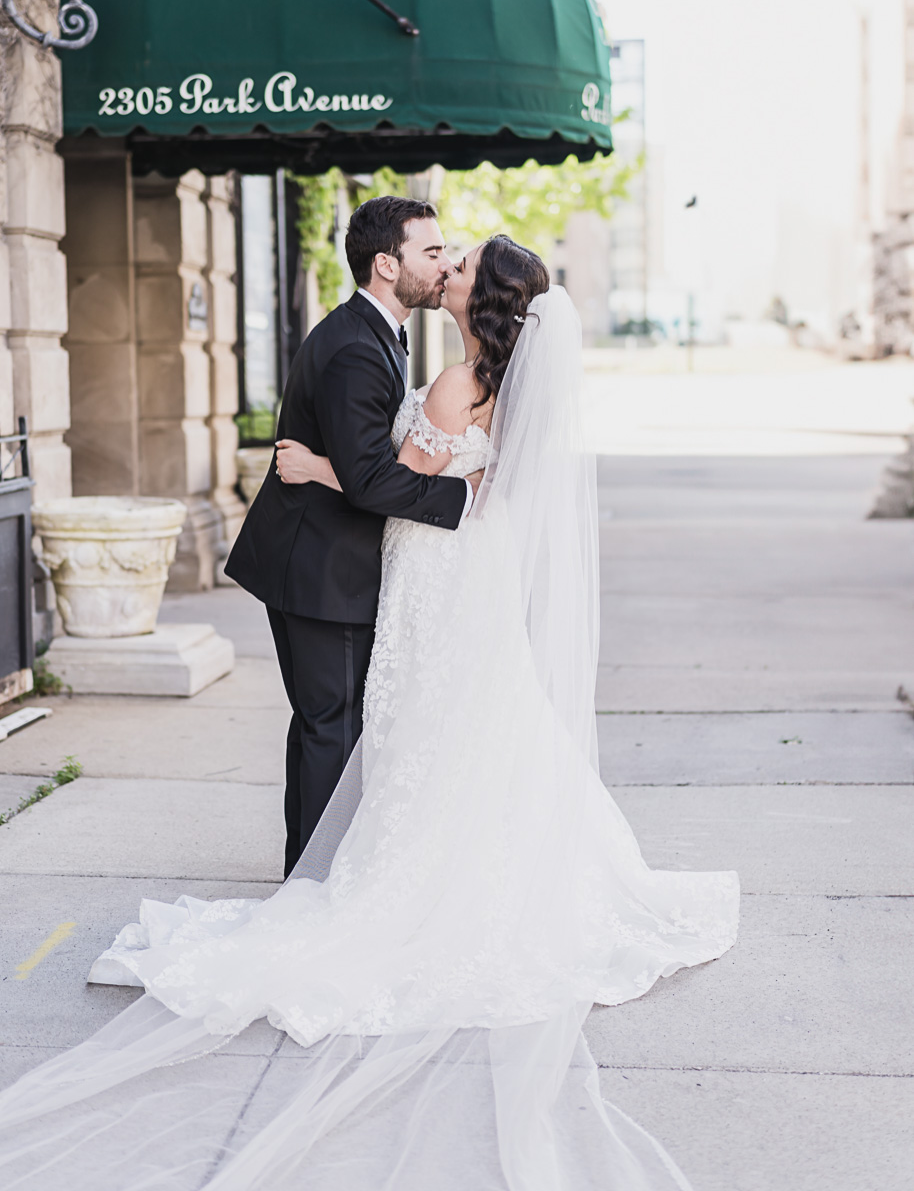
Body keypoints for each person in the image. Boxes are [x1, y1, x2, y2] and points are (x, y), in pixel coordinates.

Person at [0, 235, 739, 1191]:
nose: (450, 267)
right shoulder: (494, 380)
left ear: (483, 298)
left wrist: (314, 471)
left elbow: (401, 489)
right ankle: (484, 857)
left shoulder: (452, 382)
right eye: (441, 253)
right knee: (471, 726)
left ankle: (405, 872)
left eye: (462, 262)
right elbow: (459, 484)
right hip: (463, 576)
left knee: (428, 728)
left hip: (436, 575)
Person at [224, 196, 481, 877]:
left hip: (331, 562)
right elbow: (370, 481)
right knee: (331, 730)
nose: (446, 260)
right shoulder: (353, 351)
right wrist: (467, 496)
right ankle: (311, 891)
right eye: (431, 252)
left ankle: (308, 878)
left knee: (325, 725)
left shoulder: (377, 335)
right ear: (385, 264)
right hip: (321, 570)